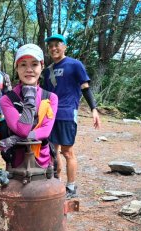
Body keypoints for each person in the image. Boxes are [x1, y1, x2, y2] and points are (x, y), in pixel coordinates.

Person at [42, 33, 101, 198]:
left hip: (68, 113)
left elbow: (85, 88)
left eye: (57, 44)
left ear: (65, 46)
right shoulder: (48, 71)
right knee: (52, 151)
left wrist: (93, 109)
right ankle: (56, 183)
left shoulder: (75, 64)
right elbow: (45, 94)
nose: (54, 48)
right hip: (50, 114)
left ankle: (71, 187)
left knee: (67, 152)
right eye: (51, 45)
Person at [0, 44, 58, 169]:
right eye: (23, 64)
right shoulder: (7, 100)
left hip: (43, 160)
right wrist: (30, 97)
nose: (29, 69)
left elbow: (46, 131)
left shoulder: (50, 98)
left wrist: (15, 138)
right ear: (17, 68)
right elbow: (23, 131)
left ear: (42, 67)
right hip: (17, 163)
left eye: (34, 64)